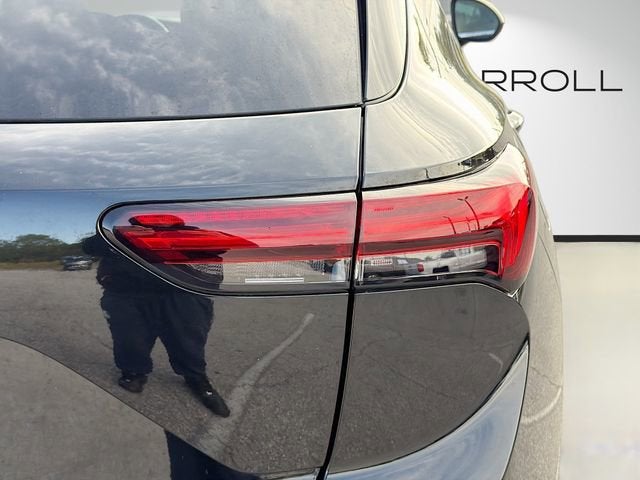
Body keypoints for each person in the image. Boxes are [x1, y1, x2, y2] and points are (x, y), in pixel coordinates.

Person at [82, 234, 229, 417]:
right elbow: (89, 247)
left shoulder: (189, 229)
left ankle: (196, 378)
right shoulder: (117, 227)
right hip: (125, 292)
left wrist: (171, 240)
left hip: (181, 292)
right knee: (129, 338)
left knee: (188, 341)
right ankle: (133, 372)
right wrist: (124, 238)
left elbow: (221, 247)